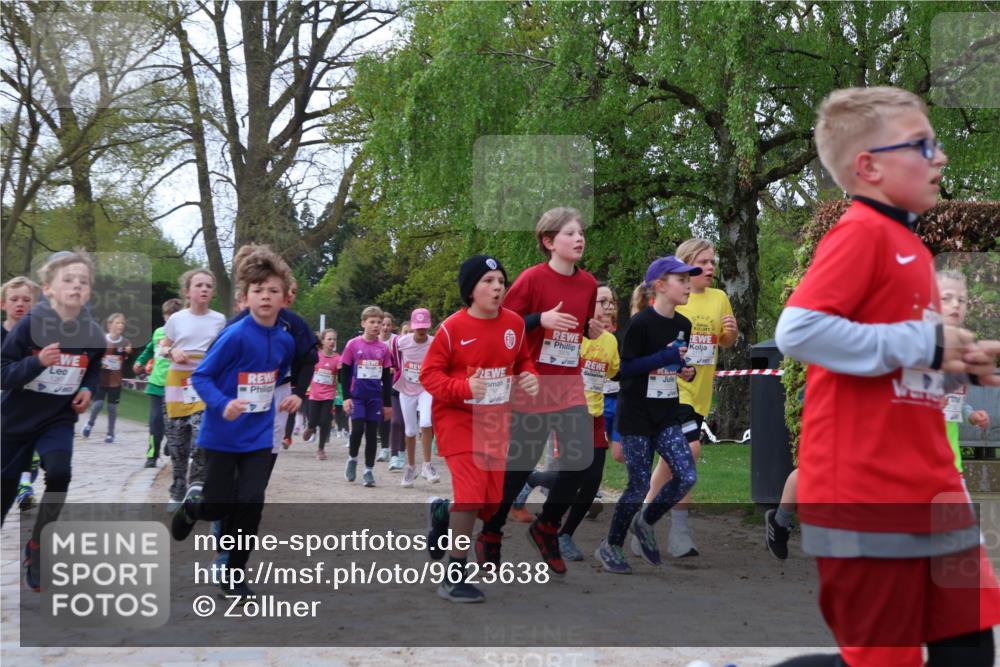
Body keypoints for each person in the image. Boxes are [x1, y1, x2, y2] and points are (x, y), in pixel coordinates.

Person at [775, 86, 1000, 667]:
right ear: (868, 166)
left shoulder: (912, 246)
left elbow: (896, 355)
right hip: (865, 494)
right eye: (922, 145)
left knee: (970, 648)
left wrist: (956, 357)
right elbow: (797, 331)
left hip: (935, 489)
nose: (940, 157)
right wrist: (923, 341)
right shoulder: (861, 233)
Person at [170, 247, 300, 600]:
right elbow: (202, 377)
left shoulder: (285, 340)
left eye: (273, 291)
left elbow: (275, 379)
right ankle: (195, 506)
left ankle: (234, 574)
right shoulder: (235, 335)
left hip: (257, 437)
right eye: (258, 291)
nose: (266, 297)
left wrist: (292, 396)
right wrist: (223, 403)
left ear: (284, 297)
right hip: (222, 436)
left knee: (251, 503)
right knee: (219, 505)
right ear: (245, 298)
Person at [477, 206, 601, 576]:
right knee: (518, 469)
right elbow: (502, 326)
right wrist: (539, 319)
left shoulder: (589, 283)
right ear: (549, 242)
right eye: (569, 234)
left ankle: (547, 526)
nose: (579, 239)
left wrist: (588, 331)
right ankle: (492, 532)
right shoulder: (532, 279)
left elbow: (577, 327)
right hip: (531, 383)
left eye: (581, 233)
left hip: (568, 385)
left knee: (583, 461)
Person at [422, 255, 539, 602]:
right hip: (457, 420)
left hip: (495, 422)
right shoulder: (451, 328)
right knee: (473, 494)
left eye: (501, 280)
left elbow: (523, 359)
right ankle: (453, 575)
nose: (497, 286)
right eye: (488, 281)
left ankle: (443, 510)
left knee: (489, 503)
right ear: (470, 290)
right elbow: (430, 375)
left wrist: (529, 375)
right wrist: (463, 389)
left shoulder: (515, 324)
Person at [1, 250, 106, 591]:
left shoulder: (93, 333)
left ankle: (39, 546)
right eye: (68, 280)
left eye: (83, 282)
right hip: (15, 420)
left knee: (60, 472)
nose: (76, 287)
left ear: (89, 291)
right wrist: (37, 363)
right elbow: (3, 372)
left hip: (56, 419)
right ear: (48, 288)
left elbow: (92, 369)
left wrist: (88, 390)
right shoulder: (31, 324)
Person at [594, 257, 699, 574]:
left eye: (689, 280)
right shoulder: (640, 325)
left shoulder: (684, 325)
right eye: (682, 280)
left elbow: (672, 365)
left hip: (666, 414)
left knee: (687, 475)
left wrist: (685, 371)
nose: (688, 285)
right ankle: (610, 545)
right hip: (637, 417)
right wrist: (664, 356)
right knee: (638, 486)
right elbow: (624, 371)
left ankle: (645, 520)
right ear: (661, 286)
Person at [638, 238, 739, 558]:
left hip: (700, 394)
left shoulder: (719, 298)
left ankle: (642, 520)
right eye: (704, 262)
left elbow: (724, 342)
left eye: (713, 261)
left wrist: (731, 333)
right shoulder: (676, 298)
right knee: (690, 450)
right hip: (672, 389)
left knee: (671, 462)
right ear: (686, 265)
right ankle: (679, 533)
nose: (711, 267)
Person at [162, 268, 226, 512]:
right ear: (188, 291)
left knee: (201, 436)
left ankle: (196, 485)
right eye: (199, 285)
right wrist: (171, 351)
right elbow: (162, 347)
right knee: (178, 442)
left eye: (208, 286)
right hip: (178, 381)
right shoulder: (177, 319)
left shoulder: (219, 320)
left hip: (204, 381)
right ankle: (177, 488)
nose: (204, 289)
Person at [937, 270, 991, 471]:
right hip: (919, 467)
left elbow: (956, 405)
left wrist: (972, 415)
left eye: (961, 300)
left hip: (951, 466)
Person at [339, 306, 393, 487]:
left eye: (379, 322)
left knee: (372, 434)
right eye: (372, 322)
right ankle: (352, 459)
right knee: (358, 429)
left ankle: (369, 470)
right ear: (363, 323)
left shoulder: (383, 349)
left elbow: (387, 377)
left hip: (374, 398)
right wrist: (346, 397)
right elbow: (344, 373)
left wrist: (387, 404)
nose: (376, 325)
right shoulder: (353, 345)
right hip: (357, 397)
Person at [2, 276, 42, 509]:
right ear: (2, 304)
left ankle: (24, 484)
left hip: (27, 405)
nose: (20, 304)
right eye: (14, 299)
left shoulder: (38, 337)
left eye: (27, 300)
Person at [392, 308, 440, 487]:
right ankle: (411, 467)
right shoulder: (400, 342)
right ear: (412, 326)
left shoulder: (434, 343)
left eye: (424, 327)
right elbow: (394, 359)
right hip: (406, 389)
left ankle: (427, 465)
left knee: (426, 422)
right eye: (418, 327)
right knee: (410, 431)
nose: (421, 331)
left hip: (426, 388)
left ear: (429, 326)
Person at [133, 298, 183, 467]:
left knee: (174, 422)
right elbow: (149, 350)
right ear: (164, 317)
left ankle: (171, 443)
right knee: (155, 422)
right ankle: (151, 456)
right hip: (156, 385)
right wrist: (140, 361)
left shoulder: (184, 335)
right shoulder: (158, 333)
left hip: (175, 387)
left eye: (175, 317)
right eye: (169, 317)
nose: (172, 321)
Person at [81, 313, 132, 444]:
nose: (120, 325)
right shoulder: (101, 340)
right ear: (110, 325)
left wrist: (127, 352)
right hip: (100, 378)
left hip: (115, 381)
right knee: (97, 404)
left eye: (122, 323)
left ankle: (110, 433)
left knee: (112, 408)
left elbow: (126, 354)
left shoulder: (125, 342)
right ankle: (89, 424)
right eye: (117, 323)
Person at [304, 329, 340, 460]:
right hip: (314, 394)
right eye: (329, 339)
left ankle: (321, 449)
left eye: (334, 339)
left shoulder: (338, 358)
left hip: (329, 395)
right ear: (323, 341)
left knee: (325, 421)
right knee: (313, 420)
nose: (332, 342)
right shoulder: (316, 356)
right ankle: (310, 427)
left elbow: (341, 377)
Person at [377, 311, 398, 463]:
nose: (385, 328)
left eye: (388, 325)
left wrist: (391, 369)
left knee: (391, 415)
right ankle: (384, 446)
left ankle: (391, 450)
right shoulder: (373, 340)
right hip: (374, 381)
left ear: (392, 327)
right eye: (383, 324)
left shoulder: (396, 341)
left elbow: (401, 361)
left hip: (392, 381)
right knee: (379, 415)